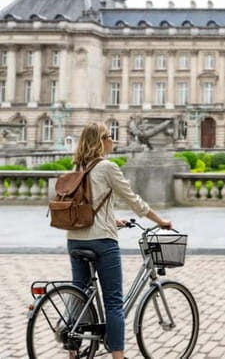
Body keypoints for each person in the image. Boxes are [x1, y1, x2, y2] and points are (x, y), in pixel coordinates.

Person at [68, 122, 173, 359]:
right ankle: (118, 356)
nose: (113, 140)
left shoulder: (79, 165)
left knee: (79, 294)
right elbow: (133, 200)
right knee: (114, 302)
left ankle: (73, 354)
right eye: (110, 136)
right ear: (100, 141)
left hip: (75, 239)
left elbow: (88, 205)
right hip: (101, 241)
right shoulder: (107, 167)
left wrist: (112, 219)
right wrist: (160, 219)